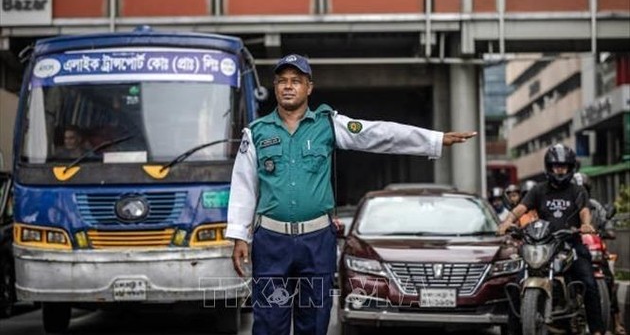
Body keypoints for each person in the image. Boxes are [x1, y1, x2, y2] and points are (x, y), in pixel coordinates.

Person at [226, 54, 477, 335]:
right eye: (282, 81)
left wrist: (434, 139)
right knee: (269, 322)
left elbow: (379, 134)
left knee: (315, 320)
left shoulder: (328, 124)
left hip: (316, 241)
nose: (288, 86)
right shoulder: (257, 132)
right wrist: (239, 236)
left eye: (296, 81)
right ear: (274, 87)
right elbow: (244, 186)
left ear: (309, 87)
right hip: (271, 242)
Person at [498, 144, 605, 335]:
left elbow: (584, 211)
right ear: (549, 167)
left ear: (570, 167)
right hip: (543, 244)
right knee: (516, 283)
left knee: (589, 282)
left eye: (563, 166)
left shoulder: (577, 190)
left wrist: (586, 225)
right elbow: (521, 208)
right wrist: (507, 222)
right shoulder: (539, 190)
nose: (559, 169)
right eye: (556, 166)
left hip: (571, 244)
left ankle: (597, 330)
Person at [573, 172, 626, 335]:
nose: (582, 192)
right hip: (575, 250)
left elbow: (606, 222)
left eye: (585, 189)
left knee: (609, 278)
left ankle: (616, 322)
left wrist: (608, 231)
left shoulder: (595, 206)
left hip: (595, 250)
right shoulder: (569, 205)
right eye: (578, 188)